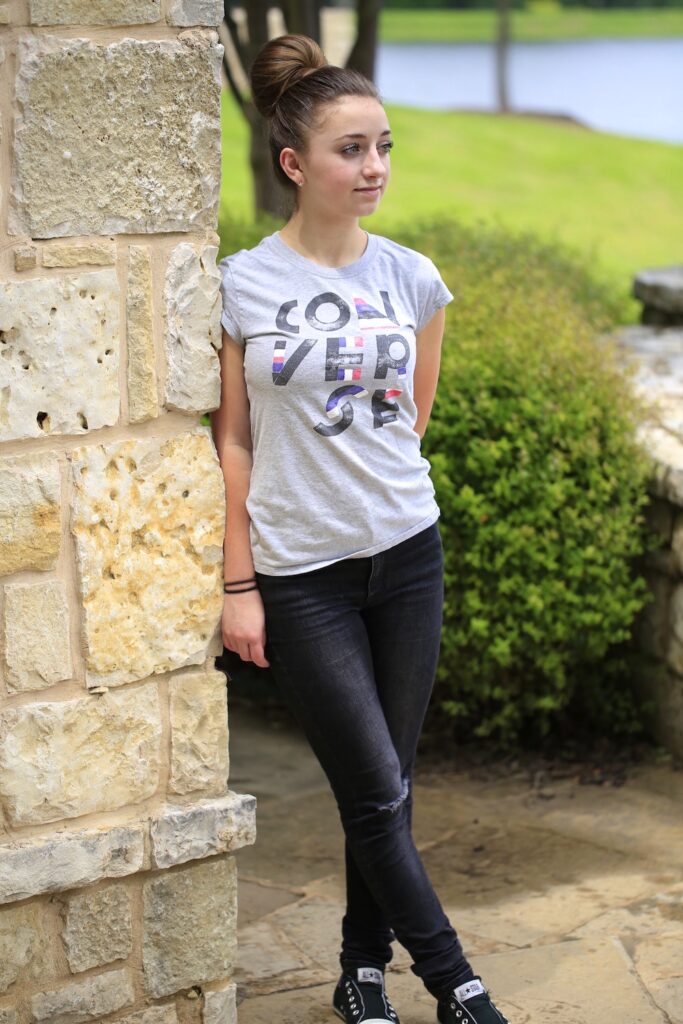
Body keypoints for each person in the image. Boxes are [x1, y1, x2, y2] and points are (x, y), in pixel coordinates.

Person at [211, 33, 510, 1024]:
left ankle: (359, 971)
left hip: (405, 557)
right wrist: (238, 583)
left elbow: (408, 418)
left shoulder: (412, 279)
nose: (372, 167)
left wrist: (368, 492)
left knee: (385, 783)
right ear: (293, 163)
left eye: (382, 146)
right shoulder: (243, 285)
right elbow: (236, 443)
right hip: (304, 578)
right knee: (375, 790)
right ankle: (456, 983)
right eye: (349, 150)